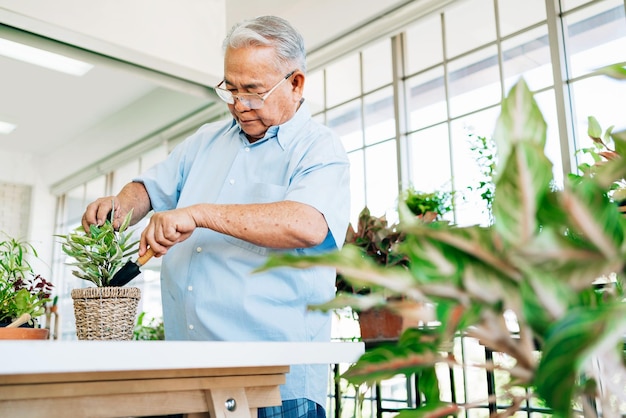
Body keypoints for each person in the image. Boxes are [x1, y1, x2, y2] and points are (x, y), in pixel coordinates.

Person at [81, 15, 350, 418]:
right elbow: (149, 189)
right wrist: (118, 206)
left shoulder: (320, 149)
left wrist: (200, 214)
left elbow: (306, 224)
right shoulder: (204, 141)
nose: (239, 105)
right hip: (188, 374)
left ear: (295, 84)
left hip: (273, 385)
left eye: (254, 92)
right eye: (231, 89)